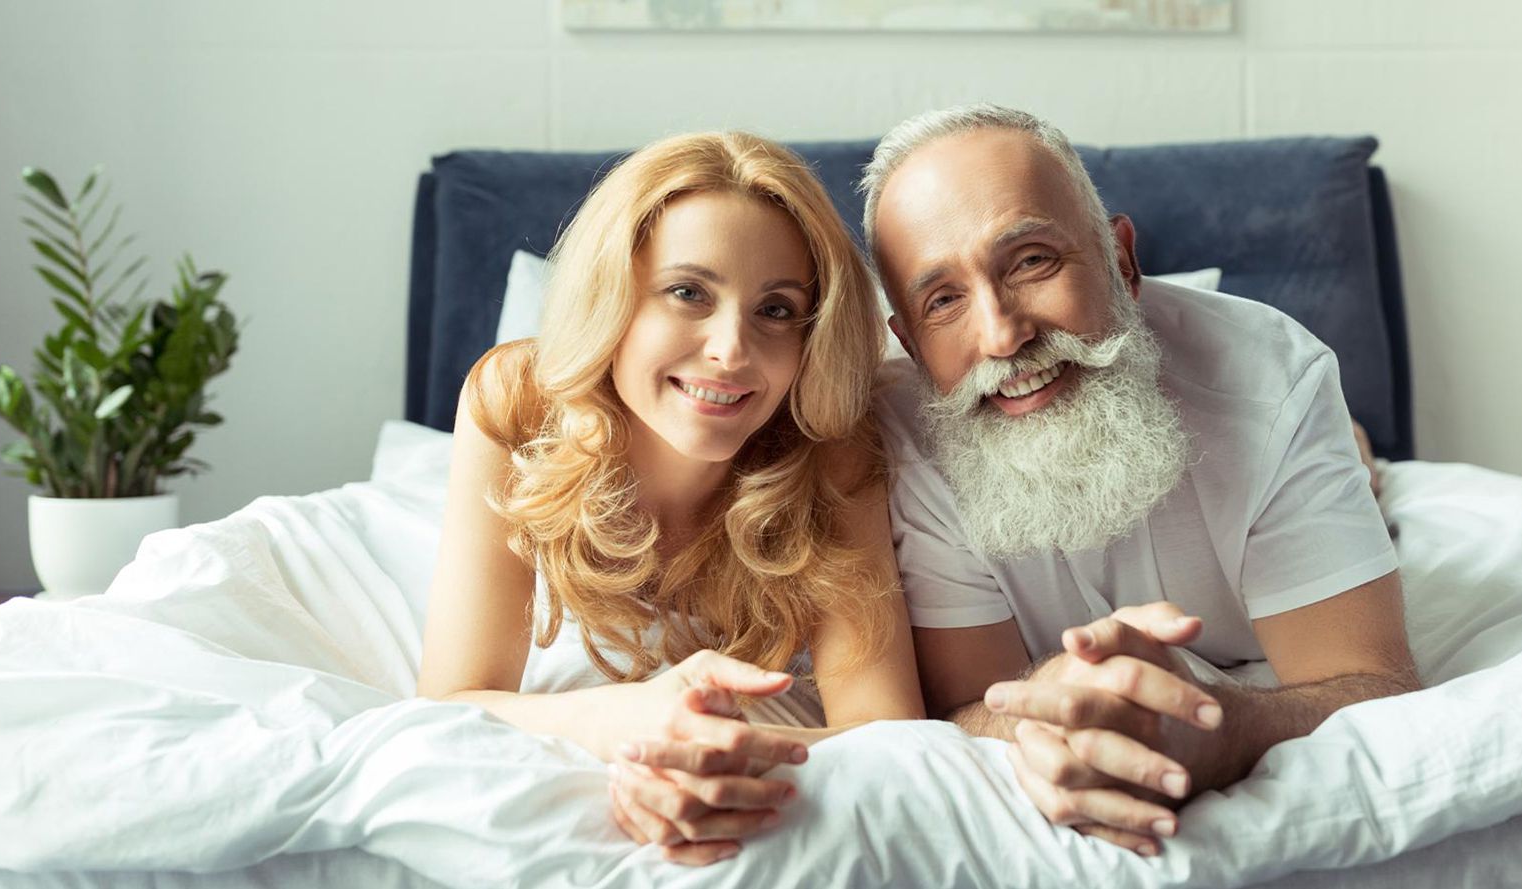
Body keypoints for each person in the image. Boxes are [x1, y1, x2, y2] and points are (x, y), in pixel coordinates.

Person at [859, 105, 1420, 855]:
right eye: (943, 301)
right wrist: (1045, 717)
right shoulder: (902, 431)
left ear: (1122, 259)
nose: (1002, 335)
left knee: (1359, 475)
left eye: (1031, 260)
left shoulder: (1275, 382)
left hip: (1242, 391)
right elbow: (965, 701)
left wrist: (1219, 729)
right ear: (909, 342)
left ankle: (1357, 456)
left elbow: (1374, 685)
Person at [417, 132, 924, 866]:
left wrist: (712, 758)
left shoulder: (832, 446)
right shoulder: (514, 399)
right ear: (613, 297)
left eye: (776, 310)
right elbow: (453, 699)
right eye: (689, 292)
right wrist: (637, 722)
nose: (731, 348)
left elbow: (883, 725)